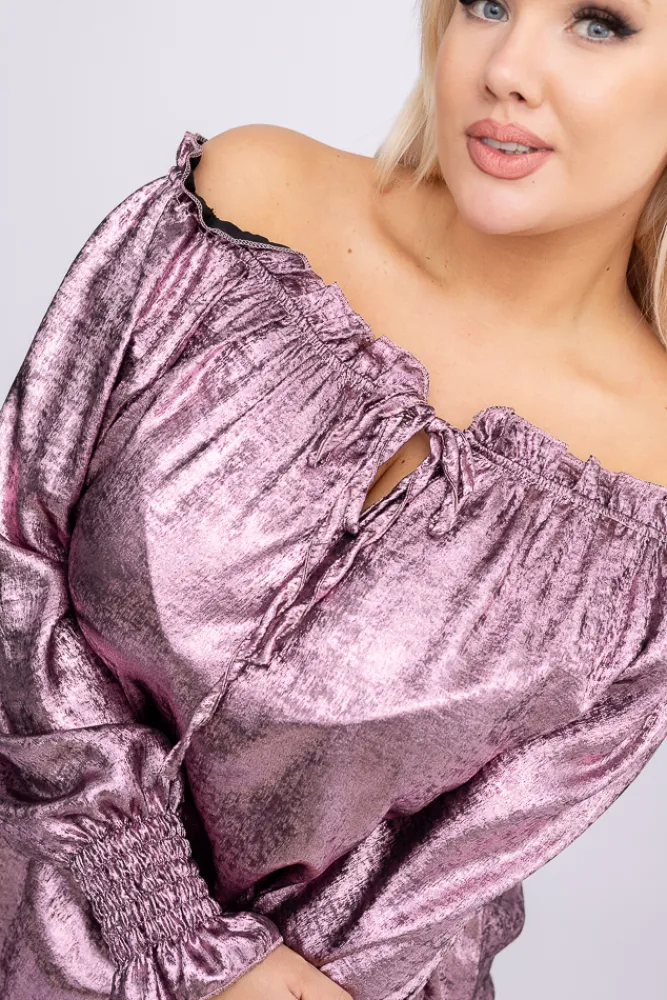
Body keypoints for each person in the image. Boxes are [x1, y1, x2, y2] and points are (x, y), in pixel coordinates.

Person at [2, 0, 667, 997]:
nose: (505, 68)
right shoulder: (243, 208)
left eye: (600, 23)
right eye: (487, 4)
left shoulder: (651, 500)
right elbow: (15, 544)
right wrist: (168, 917)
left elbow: (435, 891)